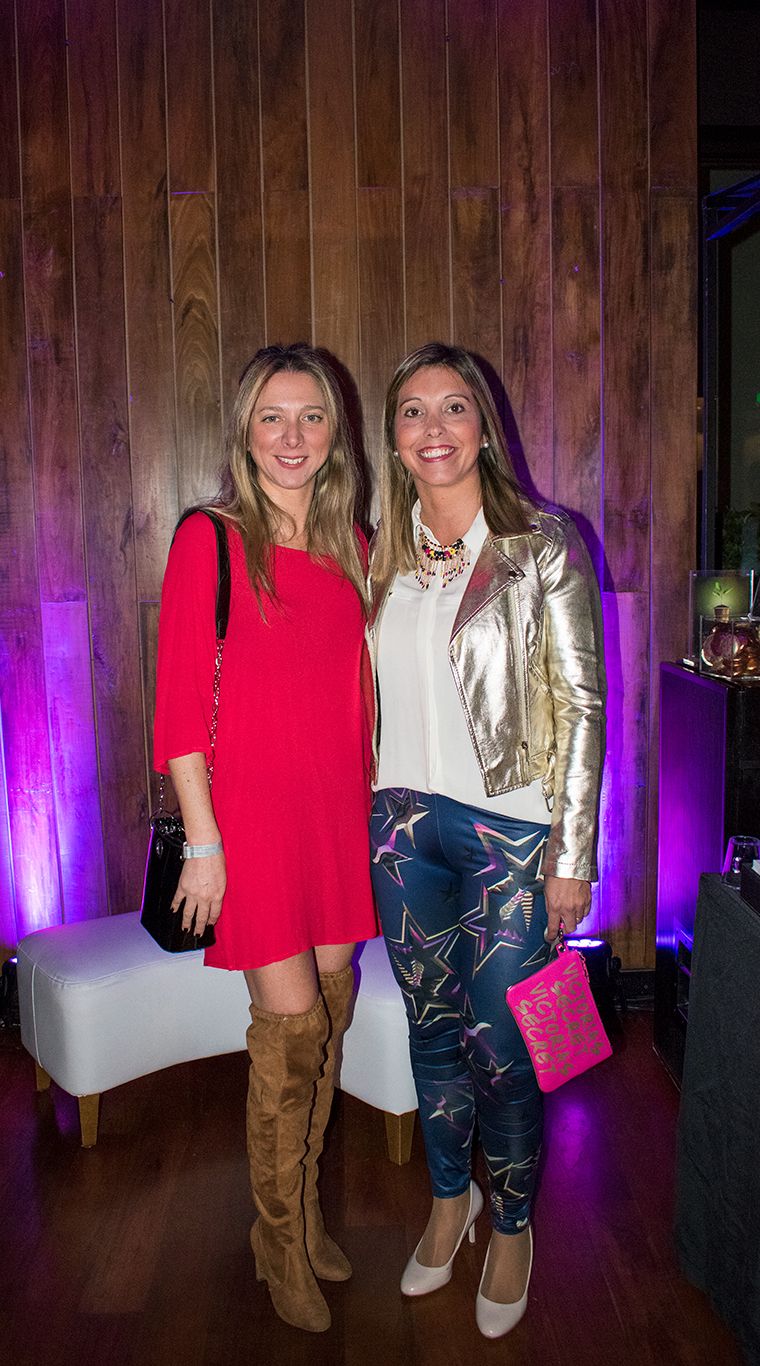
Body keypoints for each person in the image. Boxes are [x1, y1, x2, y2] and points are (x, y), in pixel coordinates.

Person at [367, 342, 606, 1338]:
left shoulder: (540, 543)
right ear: (394, 437)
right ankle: (448, 1199)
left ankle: (511, 1225)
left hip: (510, 831)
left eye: (453, 407)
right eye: (413, 411)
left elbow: (583, 703)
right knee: (429, 1029)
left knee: (503, 1046)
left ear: (483, 426)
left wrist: (572, 856)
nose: (434, 428)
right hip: (400, 827)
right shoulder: (377, 549)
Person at [154, 343, 378, 1335]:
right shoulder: (210, 537)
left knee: (329, 1021)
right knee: (288, 1037)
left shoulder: (353, 545)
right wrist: (204, 843)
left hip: (336, 815)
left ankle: (307, 1213)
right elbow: (176, 708)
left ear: (336, 433)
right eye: (273, 417)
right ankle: (276, 1239)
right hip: (250, 825)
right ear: (245, 431)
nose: (293, 437)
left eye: (311, 416)